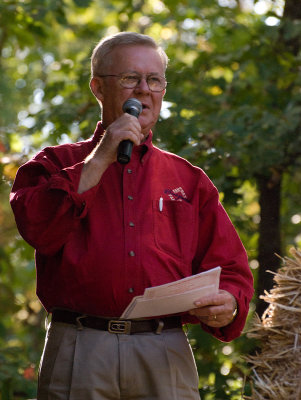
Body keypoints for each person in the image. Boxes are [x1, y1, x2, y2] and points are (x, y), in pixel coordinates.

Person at [10, 32, 254, 400]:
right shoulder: (51, 165)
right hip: (80, 348)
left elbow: (232, 271)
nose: (144, 90)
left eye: (154, 80)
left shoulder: (189, 180)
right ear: (97, 88)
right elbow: (39, 228)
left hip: (164, 350)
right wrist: (104, 153)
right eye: (129, 78)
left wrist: (230, 303)